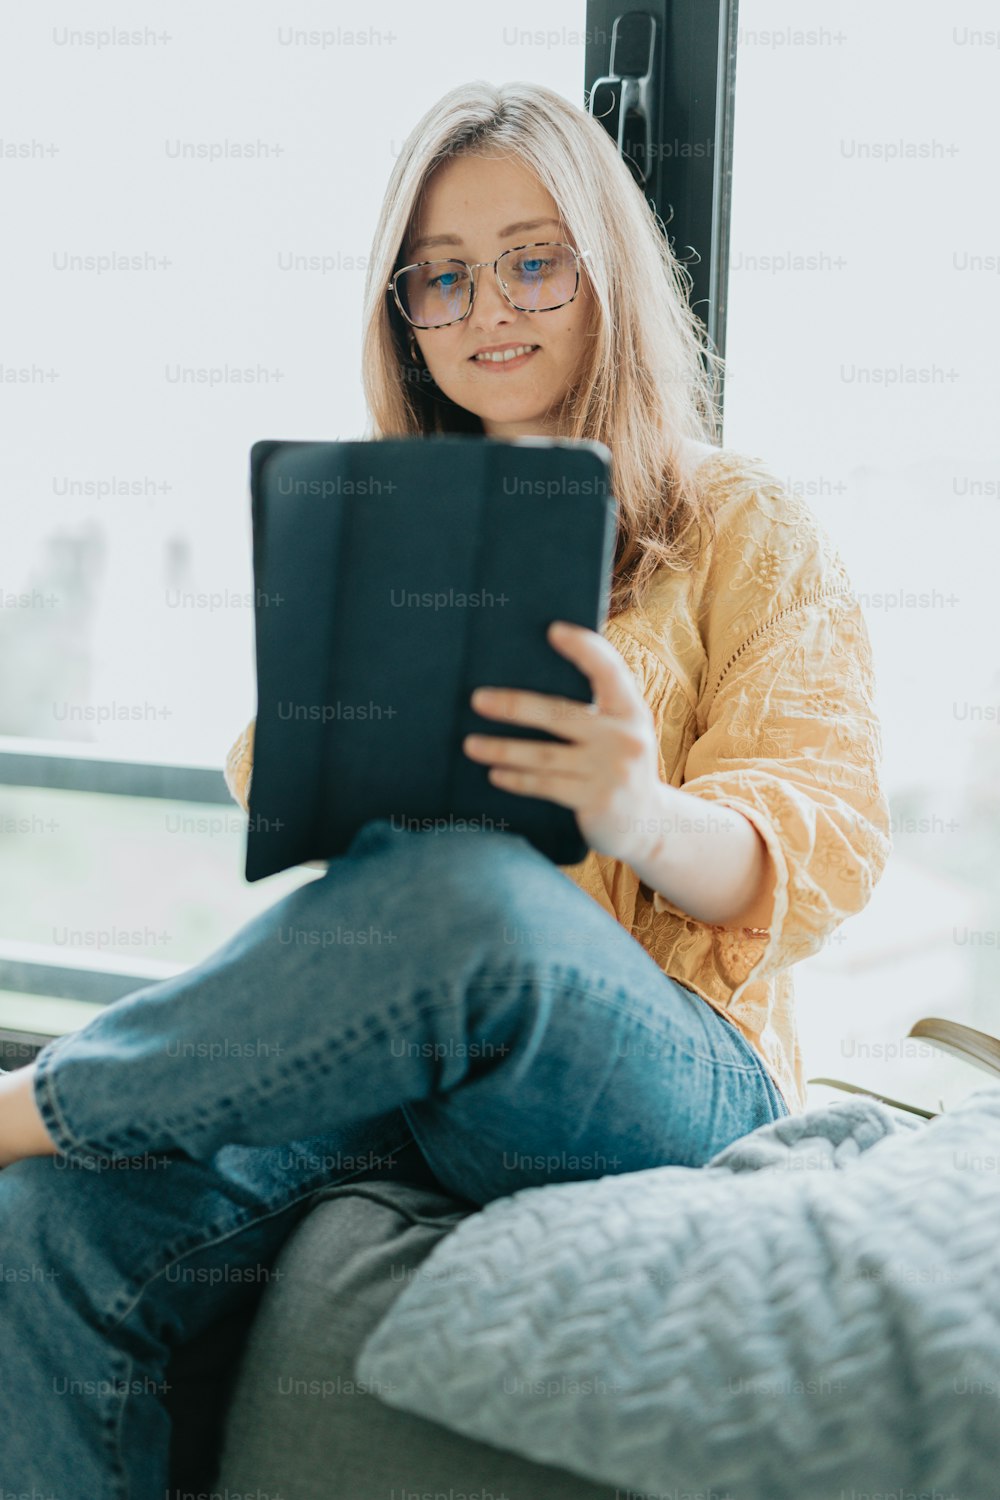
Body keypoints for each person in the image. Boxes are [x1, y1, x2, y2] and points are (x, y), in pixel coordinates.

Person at [0, 80, 892, 1493]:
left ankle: (39, 1095)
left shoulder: (739, 523)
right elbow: (308, 823)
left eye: (536, 261)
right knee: (47, 1218)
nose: (493, 309)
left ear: (609, 276)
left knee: (470, 890)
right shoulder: (389, 525)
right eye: (444, 278)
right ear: (402, 313)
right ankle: (55, 1136)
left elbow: (824, 848)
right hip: (419, 1051)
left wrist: (633, 810)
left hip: (679, 1076)